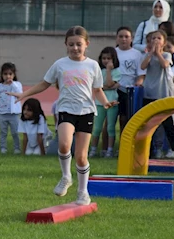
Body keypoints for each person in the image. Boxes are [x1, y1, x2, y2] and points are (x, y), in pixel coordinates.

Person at [11, 26, 117, 206]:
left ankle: (83, 191)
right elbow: (45, 84)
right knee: (64, 144)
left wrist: (105, 102)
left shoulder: (92, 66)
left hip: (86, 112)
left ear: (86, 44)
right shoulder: (60, 64)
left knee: (81, 157)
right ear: (65, 45)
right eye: (71, 45)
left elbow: (97, 89)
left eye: (79, 45)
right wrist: (24, 94)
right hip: (66, 110)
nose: (75, 48)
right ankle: (66, 177)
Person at [141, 31, 174, 159]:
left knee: (168, 124)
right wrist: (151, 53)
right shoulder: (147, 56)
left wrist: (158, 53)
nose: (156, 40)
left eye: (159, 38)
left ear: (164, 42)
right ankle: (148, 151)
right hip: (149, 93)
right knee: (148, 124)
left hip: (163, 93)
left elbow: (165, 64)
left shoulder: (166, 55)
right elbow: (143, 66)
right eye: (153, 38)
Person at [91, 47, 121, 158]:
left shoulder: (116, 71)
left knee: (110, 127)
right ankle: (93, 149)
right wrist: (109, 86)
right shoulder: (98, 71)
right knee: (97, 128)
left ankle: (109, 150)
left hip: (112, 102)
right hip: (99, 103)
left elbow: (108, 84)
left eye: (109, 58)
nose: (106, 61)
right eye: (104, 58)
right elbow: (98, 87)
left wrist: (108, 71)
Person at [115, 25, 145, 130]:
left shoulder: (137, 54)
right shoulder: (113, 52)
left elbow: (141, 74)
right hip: (114, 89)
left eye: (126, 36)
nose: (123, 39)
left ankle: (125, 143)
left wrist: (138, 83)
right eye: (121, 36)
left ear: (131, 38)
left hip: (129, 91)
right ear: (116, 38)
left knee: (126, 118)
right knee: (110, 121)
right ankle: (107, 146)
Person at [0, 62, 23, 154]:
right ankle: (3, 148)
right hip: (3, 114)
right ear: (1, 75)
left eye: (10, 74)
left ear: (14, 75)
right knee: (3, 133)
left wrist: (12, 84)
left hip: (14, 114)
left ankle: (17, 149)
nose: (8, 76)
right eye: (5, 74)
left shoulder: (17, 84)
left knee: (15, 132)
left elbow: (20, 94)